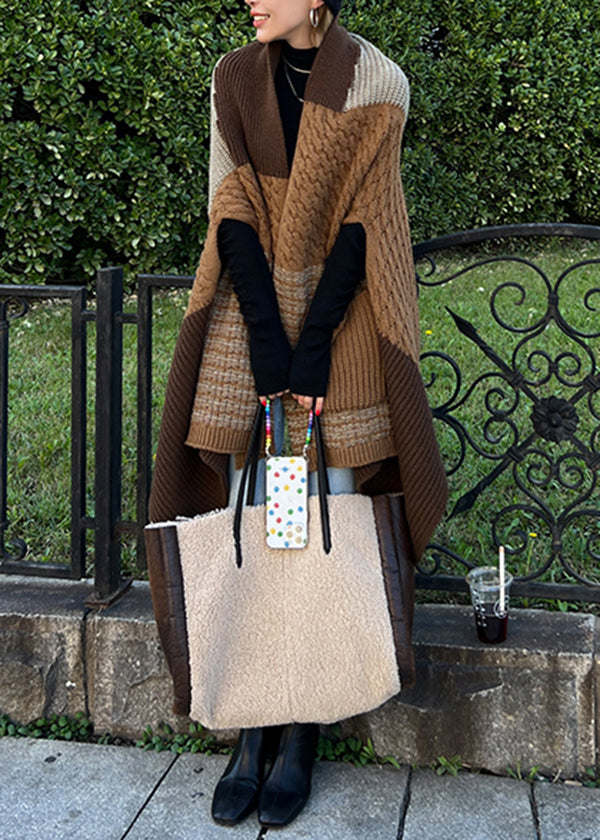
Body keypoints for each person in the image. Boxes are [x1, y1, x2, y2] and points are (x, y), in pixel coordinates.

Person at [148, 0, 448, 829]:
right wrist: (268, 343)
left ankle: (302, 728)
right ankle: (254, 726)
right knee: (258, 519)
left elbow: (366, 223)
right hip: (252, 330)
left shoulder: (377, 82)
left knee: (318, 520)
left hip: (335, 333)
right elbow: (232, 208)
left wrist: (310, 351)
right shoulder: (234, 77)